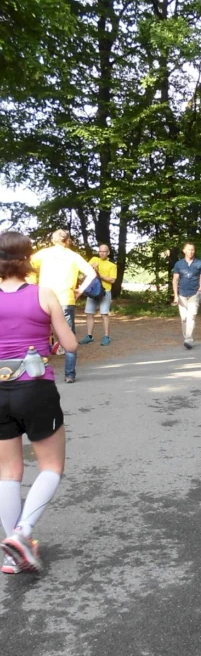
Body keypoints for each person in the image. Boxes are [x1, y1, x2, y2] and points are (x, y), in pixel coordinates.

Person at [0, 231, 78, 575]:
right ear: (28, 258)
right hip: (35, 389)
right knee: (51, 467)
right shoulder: (43, 294)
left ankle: (11, 553)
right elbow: (71, 344)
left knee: (8, 473)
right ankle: (22, 533)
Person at [29, 230, 97, 384]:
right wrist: (81, 290)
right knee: (69, 337)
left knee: (38, 335)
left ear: (53, 240)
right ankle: (69, 375)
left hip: (43, 299)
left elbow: (28, 266)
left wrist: (32, 284)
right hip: (65, 299)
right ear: (68, 241)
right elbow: (91, 273)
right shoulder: (73, 256)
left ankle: (37, 373)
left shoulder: (43, 254)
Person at [80, 244, 118, 346]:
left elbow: (112, 279)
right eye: (100, 251)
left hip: (105, 291)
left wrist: (100, 275)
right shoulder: (94, 259)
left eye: (104, 251)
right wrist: (92, 268)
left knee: (104, 314)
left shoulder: (112, 265)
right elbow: (85, 270)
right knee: (89, 313)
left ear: (108, 253)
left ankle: (106, 336)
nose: (102, 253)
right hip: (92, 291)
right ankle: (89, 336)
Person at [172, 242, 201, 348]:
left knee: (191, 316)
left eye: (192, 249)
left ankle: (188, 339)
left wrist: (200, 289)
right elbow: (175, 280)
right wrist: (175, 296)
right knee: (184, 318)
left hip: (194, 294)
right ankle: (186, 337)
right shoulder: (179, 264)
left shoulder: (199, 264)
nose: (191, 251)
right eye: (188, 249)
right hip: (182, 294)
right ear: (184, 251)